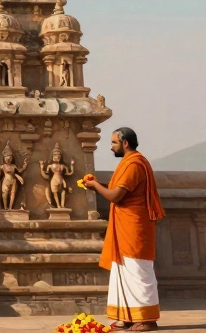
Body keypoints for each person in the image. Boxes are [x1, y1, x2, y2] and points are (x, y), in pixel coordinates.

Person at [84, 127, 165, 332]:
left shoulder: (134, 164)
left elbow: (115, 196)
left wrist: (95, 187)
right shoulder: (128, 163)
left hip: (134, 226)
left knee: (138, 271)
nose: (111, 147)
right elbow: (114, 189)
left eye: (113, 143)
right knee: (122, 271)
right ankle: (127, 316)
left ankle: (146, 319)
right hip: (124, 225)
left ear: (125, 143)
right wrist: (96, 184)